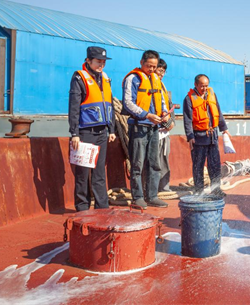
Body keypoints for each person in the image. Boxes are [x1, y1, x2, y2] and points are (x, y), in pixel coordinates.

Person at [68, 46, 116, 212]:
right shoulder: (79, 78)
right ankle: (82, 206)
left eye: (103, 62)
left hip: (102, 132)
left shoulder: (105, 78)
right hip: (84, 132)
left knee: (99, 172)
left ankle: (102, 207)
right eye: (98, 62)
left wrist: (112, 129)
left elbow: (110, 106)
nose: (101, 65)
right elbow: (73, 107)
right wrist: (74, 133)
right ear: (88, 61)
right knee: (82, 172)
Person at [122, 50, 170, 209]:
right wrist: (146, 115)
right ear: (142, 62)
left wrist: (164, 113)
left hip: (154, 128)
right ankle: (138, 197)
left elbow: (162, 101)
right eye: (149, 66)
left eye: (154, 66)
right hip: (138, 127)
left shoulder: (156, 79)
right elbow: (128, 103)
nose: (151, 69)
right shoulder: (132, 79)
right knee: (137, 163)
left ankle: (152, 195)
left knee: (154, 163)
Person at [183, 74, 230, 196]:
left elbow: (218, 112)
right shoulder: (188, 99)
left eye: (206, 86)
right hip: (198, 137)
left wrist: (224, 128)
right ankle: (199, 191)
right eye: (201, 86)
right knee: (198, 165)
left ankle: (216, 189)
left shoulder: (212, 95)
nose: (204, 88)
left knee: (214, 164)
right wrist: (190, 137)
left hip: (212, 136)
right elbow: (187, 119)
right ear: (196, 85)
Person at [156, 59, 175, 192]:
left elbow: (170, 106)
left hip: (165, 132)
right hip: (154, 131)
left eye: (163, 71)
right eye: (159, 70)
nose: (161, 74)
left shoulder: (163, 87)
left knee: (164, 160)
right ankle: (152, 190)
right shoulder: (148, 86)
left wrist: (171, 122)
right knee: (153, 161)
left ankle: (164, 188)